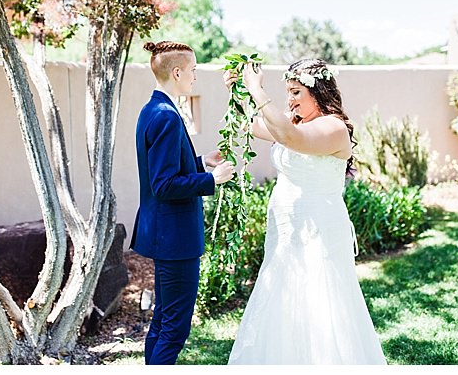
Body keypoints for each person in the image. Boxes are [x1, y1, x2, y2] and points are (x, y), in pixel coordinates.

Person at [224, 58, 386, 364]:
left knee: (318, 302)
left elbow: (290, 138)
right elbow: (259, 125)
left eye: (296, 91)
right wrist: (237, 91)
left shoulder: (333, 127)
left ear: (318, 91)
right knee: (285, 298)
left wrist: (258, 91)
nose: (290, 99)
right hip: (286, 232)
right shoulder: (296, 122)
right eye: (287, 92)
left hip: (318, 231)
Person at [130, 40, 235, 365]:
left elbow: (165, 169)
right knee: (174, 328)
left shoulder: (154, 109)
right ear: (176, 72)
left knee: (163, 320)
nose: (194, 77)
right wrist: (211, 180)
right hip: (175, 239)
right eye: (192, 71)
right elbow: (163, 185)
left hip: (167, 236)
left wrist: (201, 162)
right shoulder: (166, 117)